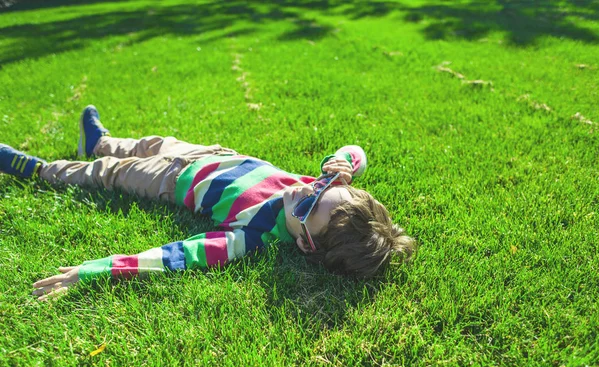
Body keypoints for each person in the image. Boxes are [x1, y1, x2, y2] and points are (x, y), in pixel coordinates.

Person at [0, 106, 415, 301]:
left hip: (172, 179)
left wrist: (98, 270)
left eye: (310, 207)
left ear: (306, 244)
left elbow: (177, 255)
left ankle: (38, 170)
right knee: (150, 143)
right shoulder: (316, 194)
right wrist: (342, 165)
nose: (308, 191)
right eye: (322, 187)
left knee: (109, 171)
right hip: (213, 153)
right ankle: (97, 140)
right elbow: (352, 155)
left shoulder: (250, 237)